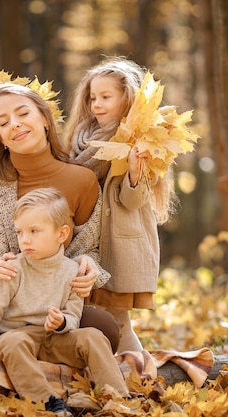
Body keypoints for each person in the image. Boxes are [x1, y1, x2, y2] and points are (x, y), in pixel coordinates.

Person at [0, 80, 121, 357]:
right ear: (0, 138)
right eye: (3, 123)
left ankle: (33, 365)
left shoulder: (82, 180)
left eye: (23, 114)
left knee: (107, 329)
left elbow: (87, 251)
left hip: (52, 312)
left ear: (45, 120)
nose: (14, 124)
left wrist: (88, 266)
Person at [0, 187, 129, 415]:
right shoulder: (12, 269)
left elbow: (74, 316)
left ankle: (119, 399)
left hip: (57, 338)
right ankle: (49, 404)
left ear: (61, 234)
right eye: (20, 232)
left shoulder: (74, 271)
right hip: (20, 337)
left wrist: (62, 321)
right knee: (8, 343)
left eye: (34, 231)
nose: (25, 240)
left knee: (92, 336)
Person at [64, 57, 177, 353]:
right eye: (92, 98)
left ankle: (140, 374)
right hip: (85, 240)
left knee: (117, 319)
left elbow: (132, 201)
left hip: (118, 244)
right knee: (86, 314)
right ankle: (105, 368)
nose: (96, 105)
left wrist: (134, 171)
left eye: (105, 97)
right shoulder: (81, 140)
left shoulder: (140, 142)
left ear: (127, 101)